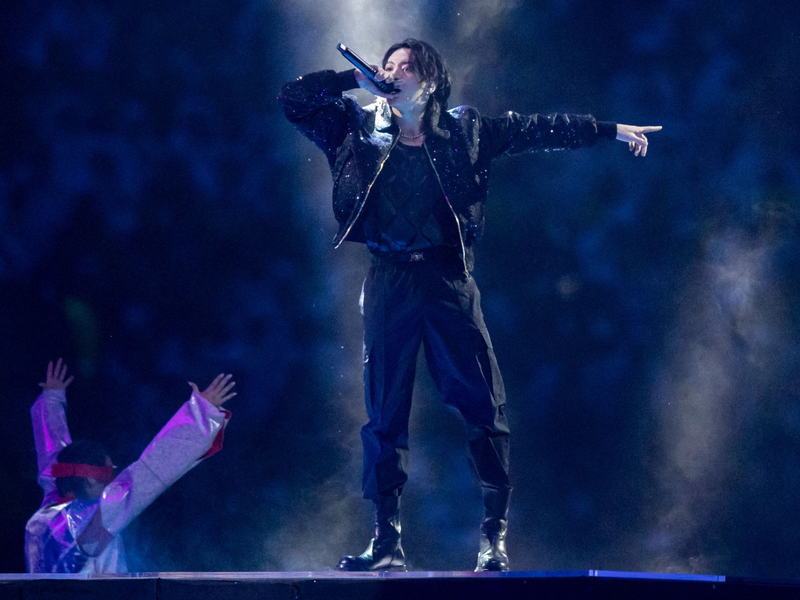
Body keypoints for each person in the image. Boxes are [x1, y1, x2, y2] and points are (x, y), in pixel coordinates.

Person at [278, 38, 661, 572]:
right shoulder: (355, 128)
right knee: (384, 412)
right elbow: (293, 99)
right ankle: (386, 540)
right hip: (389, 280)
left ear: (430, 81)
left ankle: (492, 538)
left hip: (446, 280)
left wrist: (610, 130)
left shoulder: (466, 130)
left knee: (483, 406)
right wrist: (351, 81)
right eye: (386, 67)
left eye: (404, 67)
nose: (391, 74)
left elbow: (539, 129)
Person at [25, 358, 236, 573]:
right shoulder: (88, 519)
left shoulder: (45, 513)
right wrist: (201, 412)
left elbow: (52, 452)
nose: (112, 484)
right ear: (89, 480)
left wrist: (51, 399)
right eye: (107, 478)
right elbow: (149, 471)